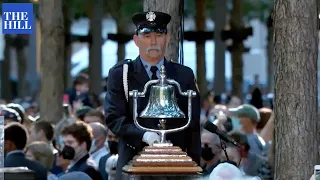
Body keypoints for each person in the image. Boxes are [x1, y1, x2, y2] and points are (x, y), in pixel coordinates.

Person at [104, 11, 201, 180]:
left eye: (159, 35)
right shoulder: (122, 74)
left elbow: (192, 126)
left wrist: (194, 167)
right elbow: (114, 118)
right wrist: (143, 135)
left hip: (175, 167)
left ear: (167, 38)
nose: (153, 41)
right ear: (136, 40)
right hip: (134, 163)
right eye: (147, 36)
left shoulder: (184, 75)